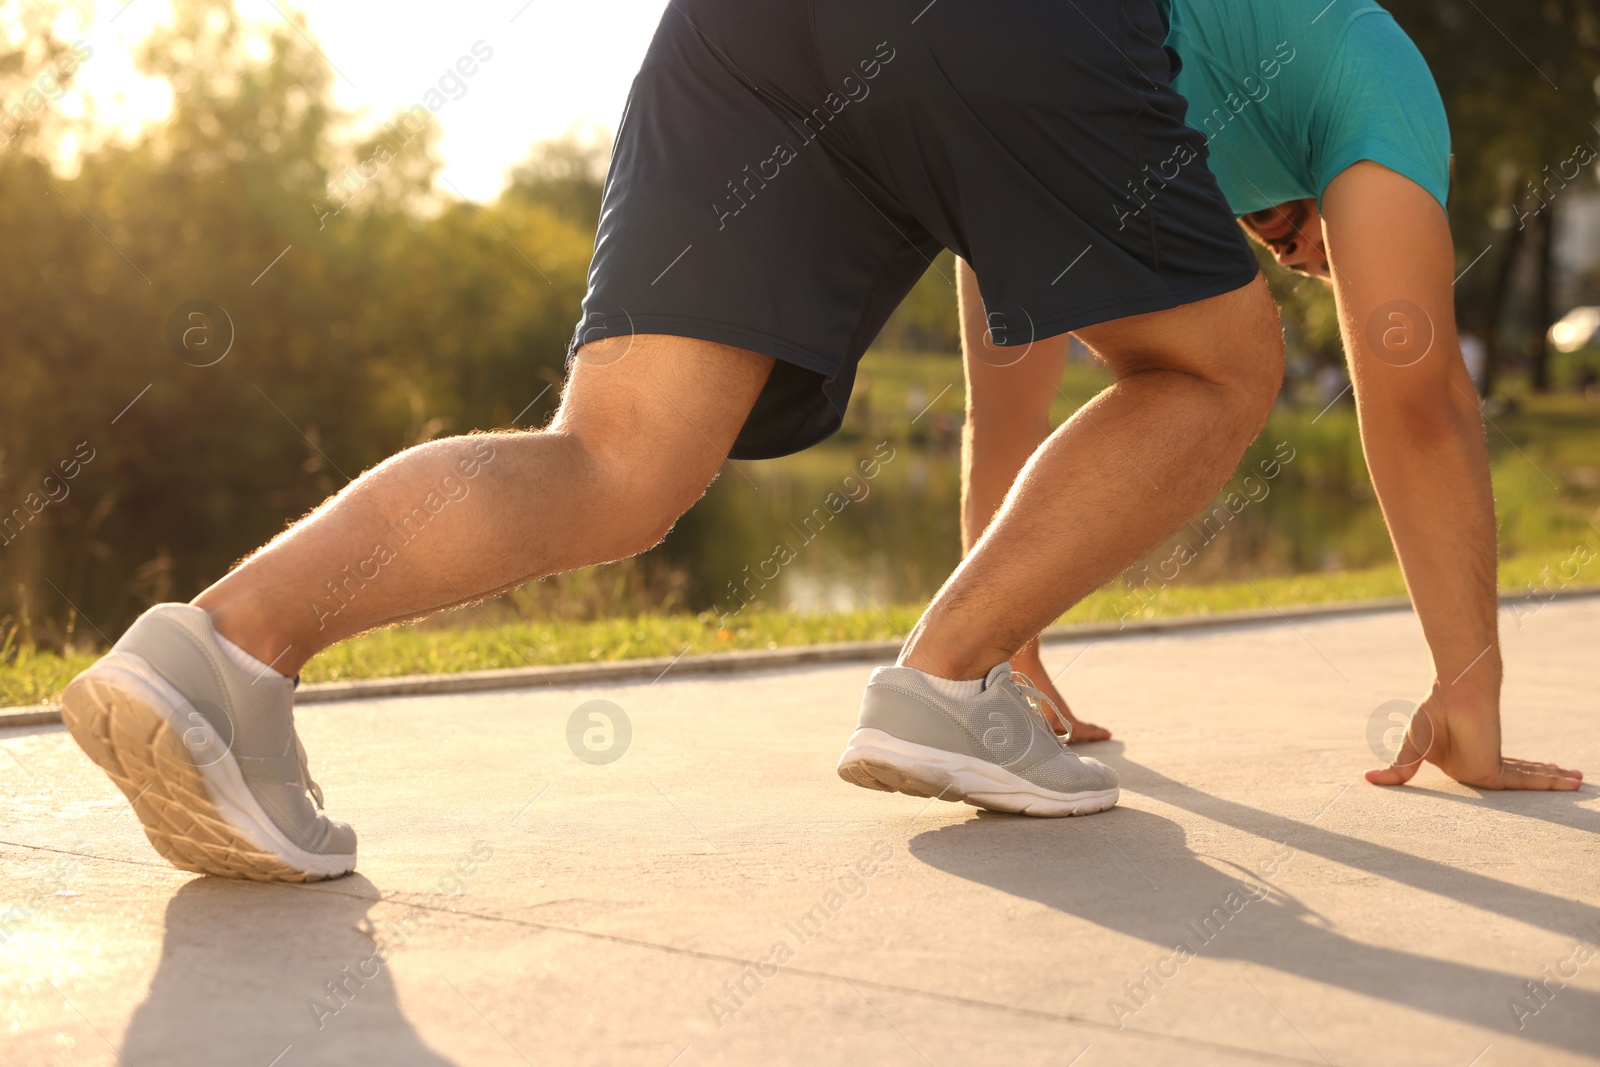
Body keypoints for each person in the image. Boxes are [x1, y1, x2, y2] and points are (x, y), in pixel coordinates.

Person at [61, 0, 1288, 882]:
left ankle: (221, 648)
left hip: (742, 35)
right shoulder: (1340, 43)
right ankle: (950, 682)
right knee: (1217, 363)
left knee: (616, 461)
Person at [955, 0, 1584, 791]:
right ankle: (968, 673)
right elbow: (1421, 406)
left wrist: (1007, 661)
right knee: (1224, 371)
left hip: (957, 77)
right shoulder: (1381, 93)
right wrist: (1470, 688)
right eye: (1331, 261)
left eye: (1315, 269)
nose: (1304, 265)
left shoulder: (1200, 145)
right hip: (1021, 57)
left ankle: (974, 672)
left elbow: (1005, 418)